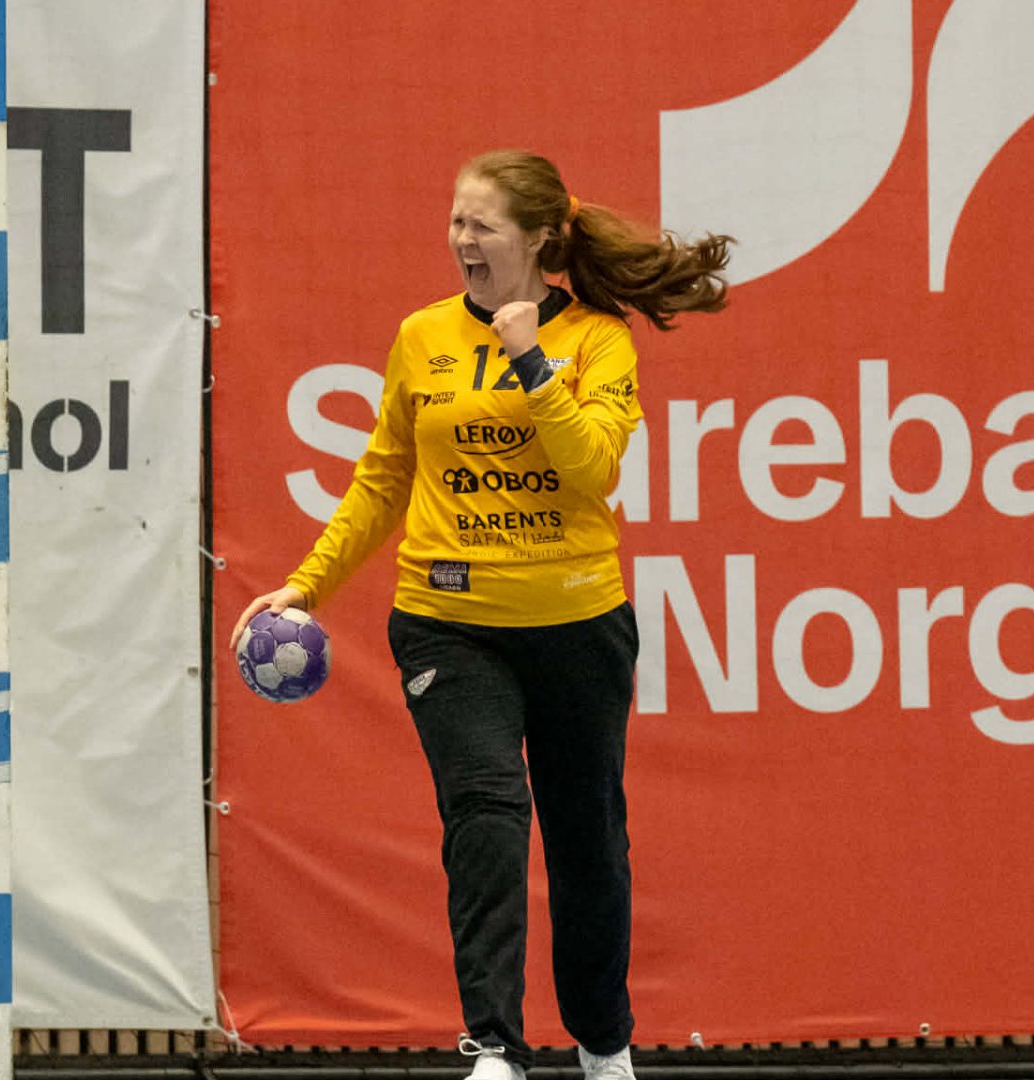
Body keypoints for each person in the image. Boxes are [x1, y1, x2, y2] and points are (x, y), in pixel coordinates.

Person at [228, 150, 731, 1080]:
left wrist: (530, 357)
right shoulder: (422, 336)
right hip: (447, 621)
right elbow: (383, 478)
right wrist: (306, 584)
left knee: (587, 840)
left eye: (482, 224)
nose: (462, 239)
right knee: (487, 810)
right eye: (456, 220)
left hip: (578, 624)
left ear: (537, 239)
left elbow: (592, 468)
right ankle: (495, 1046)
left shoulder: (598, 341)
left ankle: (604, 1045)